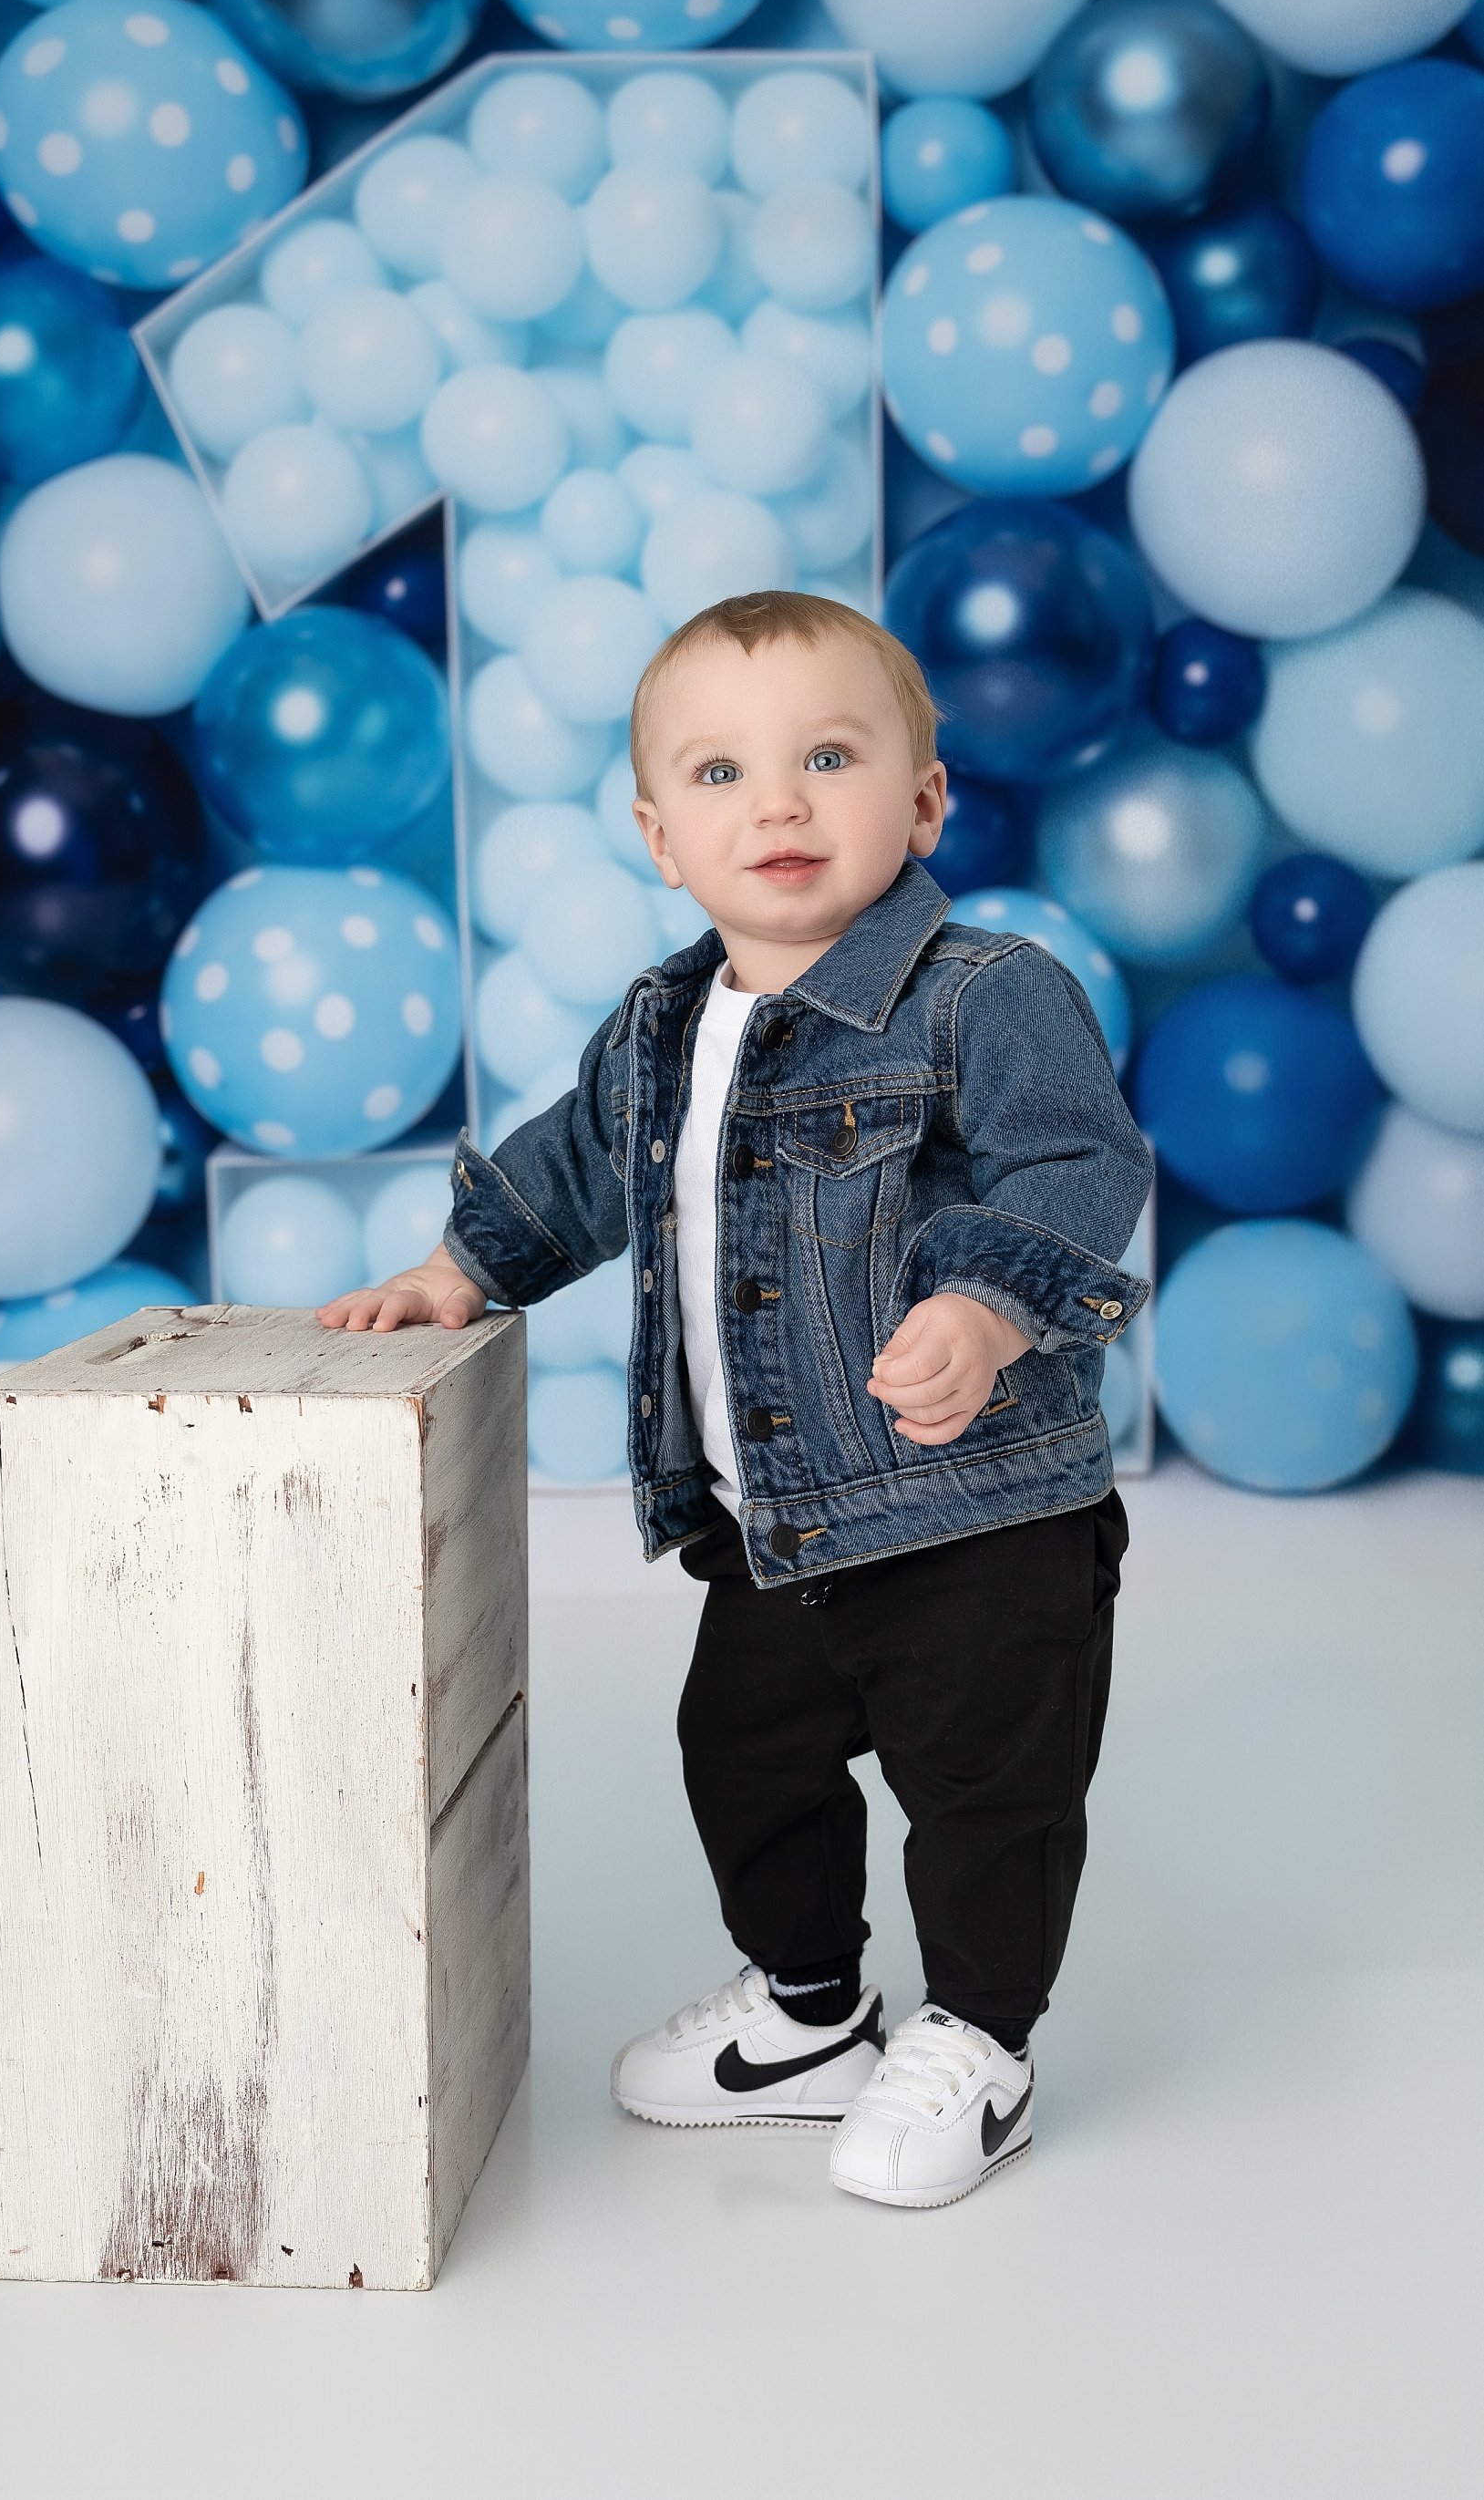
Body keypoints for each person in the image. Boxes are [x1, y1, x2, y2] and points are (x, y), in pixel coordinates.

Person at [316, 590, 1151, 2210]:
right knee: (740, 1752)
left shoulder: (983, 992)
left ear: (919, 802)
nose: (774, 805)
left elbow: (1077, 1162)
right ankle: (810, 2012)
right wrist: (458, 1270)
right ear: (655, 833)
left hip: (975, 1515)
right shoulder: (656, 1024)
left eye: (827, 759)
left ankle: (982, 2042)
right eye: (718, 775)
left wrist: (980, 1309)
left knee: (985, 1781)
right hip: (771, 1520)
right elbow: (571, 1166)